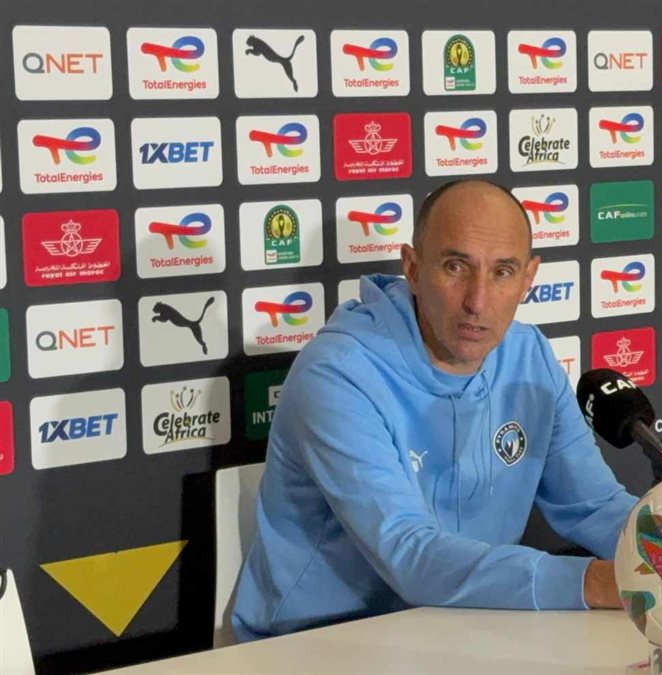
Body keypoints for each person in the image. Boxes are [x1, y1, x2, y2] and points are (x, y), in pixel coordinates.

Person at [231, 180, 638, 641]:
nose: (477, 301)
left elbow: (594, 505)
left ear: (528, 278)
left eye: (502, 272)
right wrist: (593, 582)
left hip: (469, 624)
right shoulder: (337, 373)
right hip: (318, 642)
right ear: (412, 267)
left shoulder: (530, 358)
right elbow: (409, 553)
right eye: (455, 266)